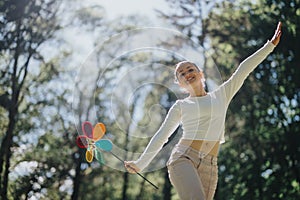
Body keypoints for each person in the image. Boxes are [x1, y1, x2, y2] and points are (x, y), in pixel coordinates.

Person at [124, 22, 282, 200]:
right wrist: (140, 164)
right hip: (184, 158)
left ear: (200, 74)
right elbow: (162, 136)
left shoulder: (221, 95)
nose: (186, 73)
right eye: (181, 74)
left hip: (211, 165)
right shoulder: (181, 106)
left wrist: (270, 46)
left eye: (190, 69)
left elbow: (242, 70)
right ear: (181, 84)